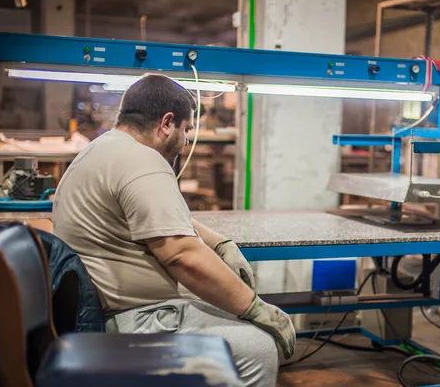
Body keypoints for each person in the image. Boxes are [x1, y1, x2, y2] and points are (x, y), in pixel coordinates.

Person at [52, 74, 296, 387]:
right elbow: (182, 257)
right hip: (136, 320)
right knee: (258, 345)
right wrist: (257, 308)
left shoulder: (105, 150)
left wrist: (218, 242)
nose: (185, 141)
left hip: (110, 312)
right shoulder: (142, 161)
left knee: (224, 306)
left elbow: (154, 218)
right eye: (186, 129)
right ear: (167, 123)